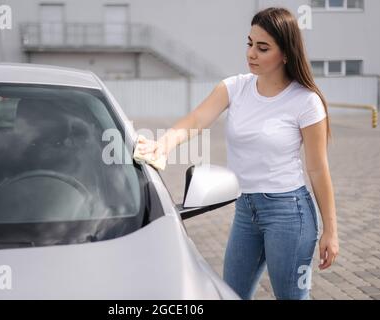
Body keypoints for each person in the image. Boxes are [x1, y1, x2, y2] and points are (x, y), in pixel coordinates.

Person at [136, 7, 339, 300]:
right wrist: (162, 145)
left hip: (289, 213)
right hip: (246, 211)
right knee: (231, 294)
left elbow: (319, 169)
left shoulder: (306, 102)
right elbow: (195, 121)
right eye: (249, 43)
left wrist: (330, 231)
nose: (251, 53)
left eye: (263, 47)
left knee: (291, 297)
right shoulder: (234, 88)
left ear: (285, 53)